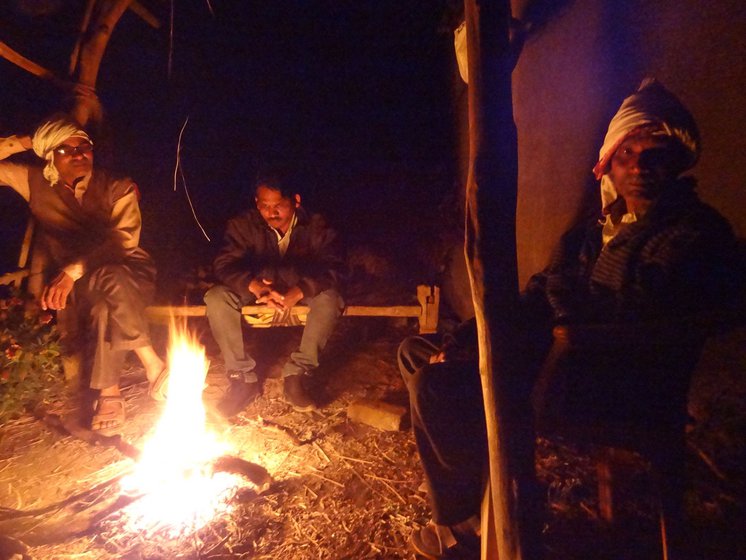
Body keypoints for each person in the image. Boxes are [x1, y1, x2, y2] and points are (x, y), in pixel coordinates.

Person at [398, 79, 739, 559]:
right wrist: (470, 337)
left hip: (611, 379)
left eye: (654, 154)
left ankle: (467, 527)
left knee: (436, 386)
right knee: (417, 352)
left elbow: (628, 310)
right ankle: (492, 490)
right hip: (556, 353)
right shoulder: (594, 231)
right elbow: (543, 290)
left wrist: (552, 310)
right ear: (610, 165)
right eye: (627, 155)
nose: (639, 166)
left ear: (679, 160)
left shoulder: (695, 232)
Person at [0, 117, 168, 434]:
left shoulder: (118, 186)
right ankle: (150, 366)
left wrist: (71, 271)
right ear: (49, 154)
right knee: (103, 294)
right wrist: (26, 141)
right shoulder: (34, 181)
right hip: (83, 282)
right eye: (66, 148)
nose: (79, 155)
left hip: (130, 273)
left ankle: (114, 391)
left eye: (84, 147)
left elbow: (123, 241)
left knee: (110, 287)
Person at [204, 172, 345, 416]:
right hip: (258, 288)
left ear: (296, 201)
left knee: (330, 299)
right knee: (217, 298)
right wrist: (254, 285)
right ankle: (241, 379)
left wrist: (300, 290)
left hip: (299, 287)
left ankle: (297, 374)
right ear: (257, 204)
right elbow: (224, 265)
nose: (271, 213)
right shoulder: (243, 225)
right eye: (265, 206)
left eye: (278, 206)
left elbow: (335, 266)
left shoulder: (316, 225)